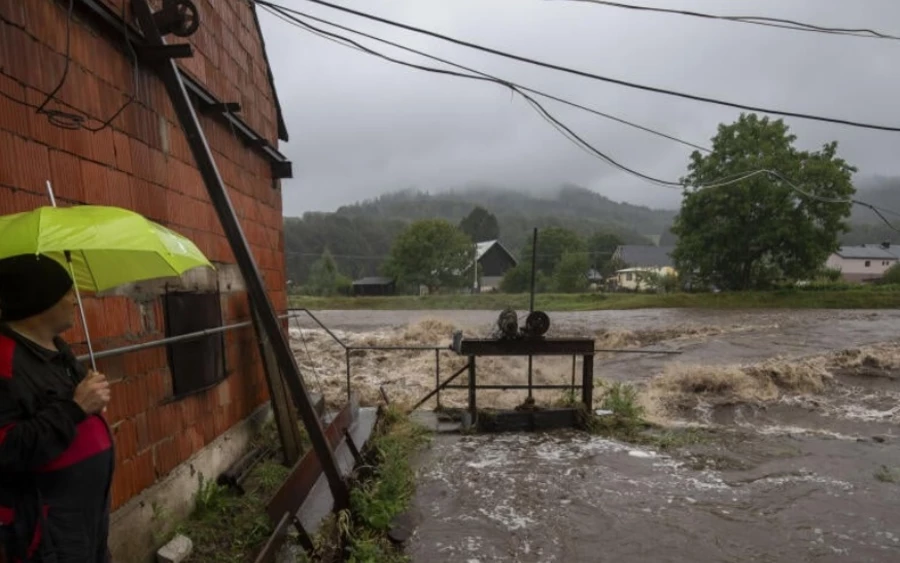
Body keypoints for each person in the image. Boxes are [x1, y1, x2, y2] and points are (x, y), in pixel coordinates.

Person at [0, 254, 114, 563]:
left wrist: (93, 403)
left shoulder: (58, 348)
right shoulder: (5, 361)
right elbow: (7, 448)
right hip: (47, 529)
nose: (75, 300)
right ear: (41, 300)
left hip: (88, 517)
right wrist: (76, 408)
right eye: (68, 292)